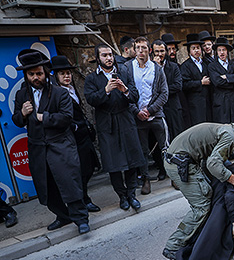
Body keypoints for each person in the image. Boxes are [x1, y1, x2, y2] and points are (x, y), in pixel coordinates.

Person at [162, 112, 234, 260]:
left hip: (182, 160)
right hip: (180, 164)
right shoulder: (230, 137)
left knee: (210, 191)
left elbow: (214, 159)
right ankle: (173, 246)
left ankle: (194, 238)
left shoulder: (227, 130)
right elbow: (213, 164)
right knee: (202, 205)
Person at [12, 49, 90, 235]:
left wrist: (43, 117)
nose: (36, 78)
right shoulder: (22, 96)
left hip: (61, 145)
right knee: (47, 186)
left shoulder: (59, 93)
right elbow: (16, 120)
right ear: (26, 75)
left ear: (46, 73)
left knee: (69, 183)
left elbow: (66, 118)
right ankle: (62, 216)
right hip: (38, 148)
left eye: (39, 73)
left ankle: (81, 219)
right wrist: (22, 113)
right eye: (31, 74)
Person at [85, 43, 146, 212]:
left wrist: (124, 89)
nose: (109, 58)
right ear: (98, 59)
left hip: (126, 121)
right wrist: (105, 90)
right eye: (104, 55)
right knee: (114, 164)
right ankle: (122, 196)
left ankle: (132, 194)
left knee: (132, 160)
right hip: (107, 124)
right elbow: (91, 99)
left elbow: (135, 96)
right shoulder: (92, 79)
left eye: (110, 55)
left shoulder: (123, 73)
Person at [50, 55, 101, 213]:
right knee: (78, 172)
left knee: (89, 168)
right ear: (56, 76)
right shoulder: (55, 94)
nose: (67, 76)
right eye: (62, 73)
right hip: (72, 138)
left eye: (68, 73)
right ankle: (83, 200)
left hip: (84, 135)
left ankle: (83, 197)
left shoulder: (72, 89)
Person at [126, 36, 169, 194]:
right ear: (134, 50)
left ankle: (174, 176)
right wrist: (137, 112)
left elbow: (164, 93)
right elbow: (125, 93)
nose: (141, 51)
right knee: (142, 150)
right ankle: (145, 179)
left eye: (144, 48)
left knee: (166, 147)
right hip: (138, 118)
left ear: (149, 50)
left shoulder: (157, 69)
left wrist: (150, 110)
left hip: (156, 115)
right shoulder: (128, 68)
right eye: (138, 48)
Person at [208, 37, 234, 124]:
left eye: (224, 50)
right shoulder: (212, 66)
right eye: (219, 50)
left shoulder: (233, 64)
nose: (221, 52)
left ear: (227, 51)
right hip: (221, 102)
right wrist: (233, 81)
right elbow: (217, 82)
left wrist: (227, 77)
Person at [180, 33, 211, 127]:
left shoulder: (205, 63)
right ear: (189, 51)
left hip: (207, 102)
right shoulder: (185, 66)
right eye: (193, 48)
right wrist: (200, 83)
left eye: (198, 48)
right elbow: (184, 85)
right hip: (194, 104)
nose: (196, 50)